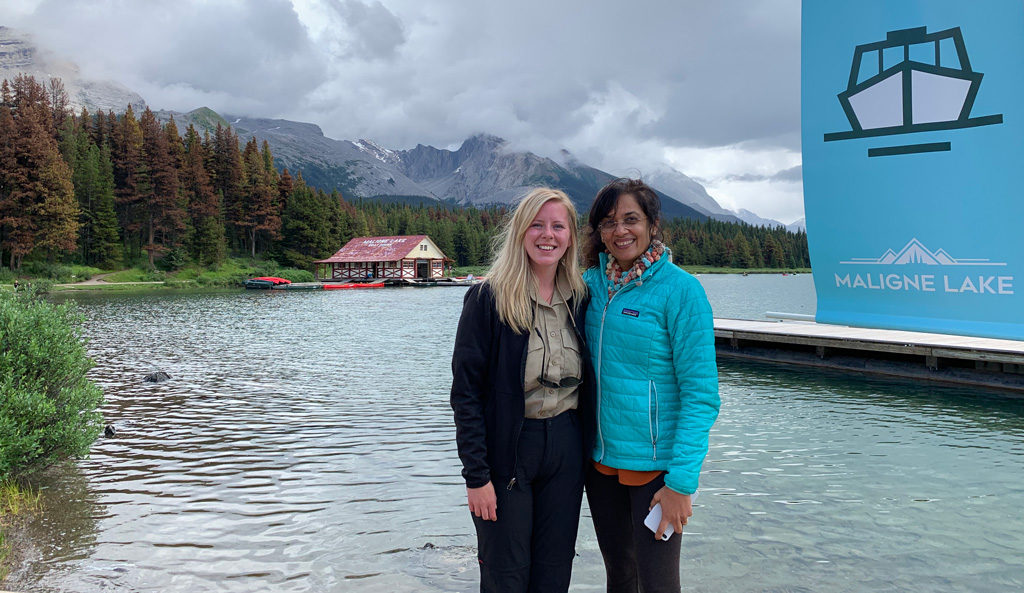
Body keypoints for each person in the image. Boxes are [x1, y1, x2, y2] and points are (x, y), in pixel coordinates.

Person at [451, 187, 594, 593]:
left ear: (570, 236)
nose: (547, 235)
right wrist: (476, 477)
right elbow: (466, 395)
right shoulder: (487, 299)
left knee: (554, 573)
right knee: (505, 576)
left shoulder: (583, 299)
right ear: (520, 232)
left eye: (558, 226)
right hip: (508, 454)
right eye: (537, 224)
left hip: (566, 450)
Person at [581, 178, 719, 593]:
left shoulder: (682, 291)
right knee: (619, 578)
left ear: (653, 224)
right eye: (608, 223)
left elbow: (701, 397)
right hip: (600, 466)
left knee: (658, 585)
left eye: (630, 219)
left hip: (656, 472)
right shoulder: (589, 284)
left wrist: (681, 483)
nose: (620, 231)